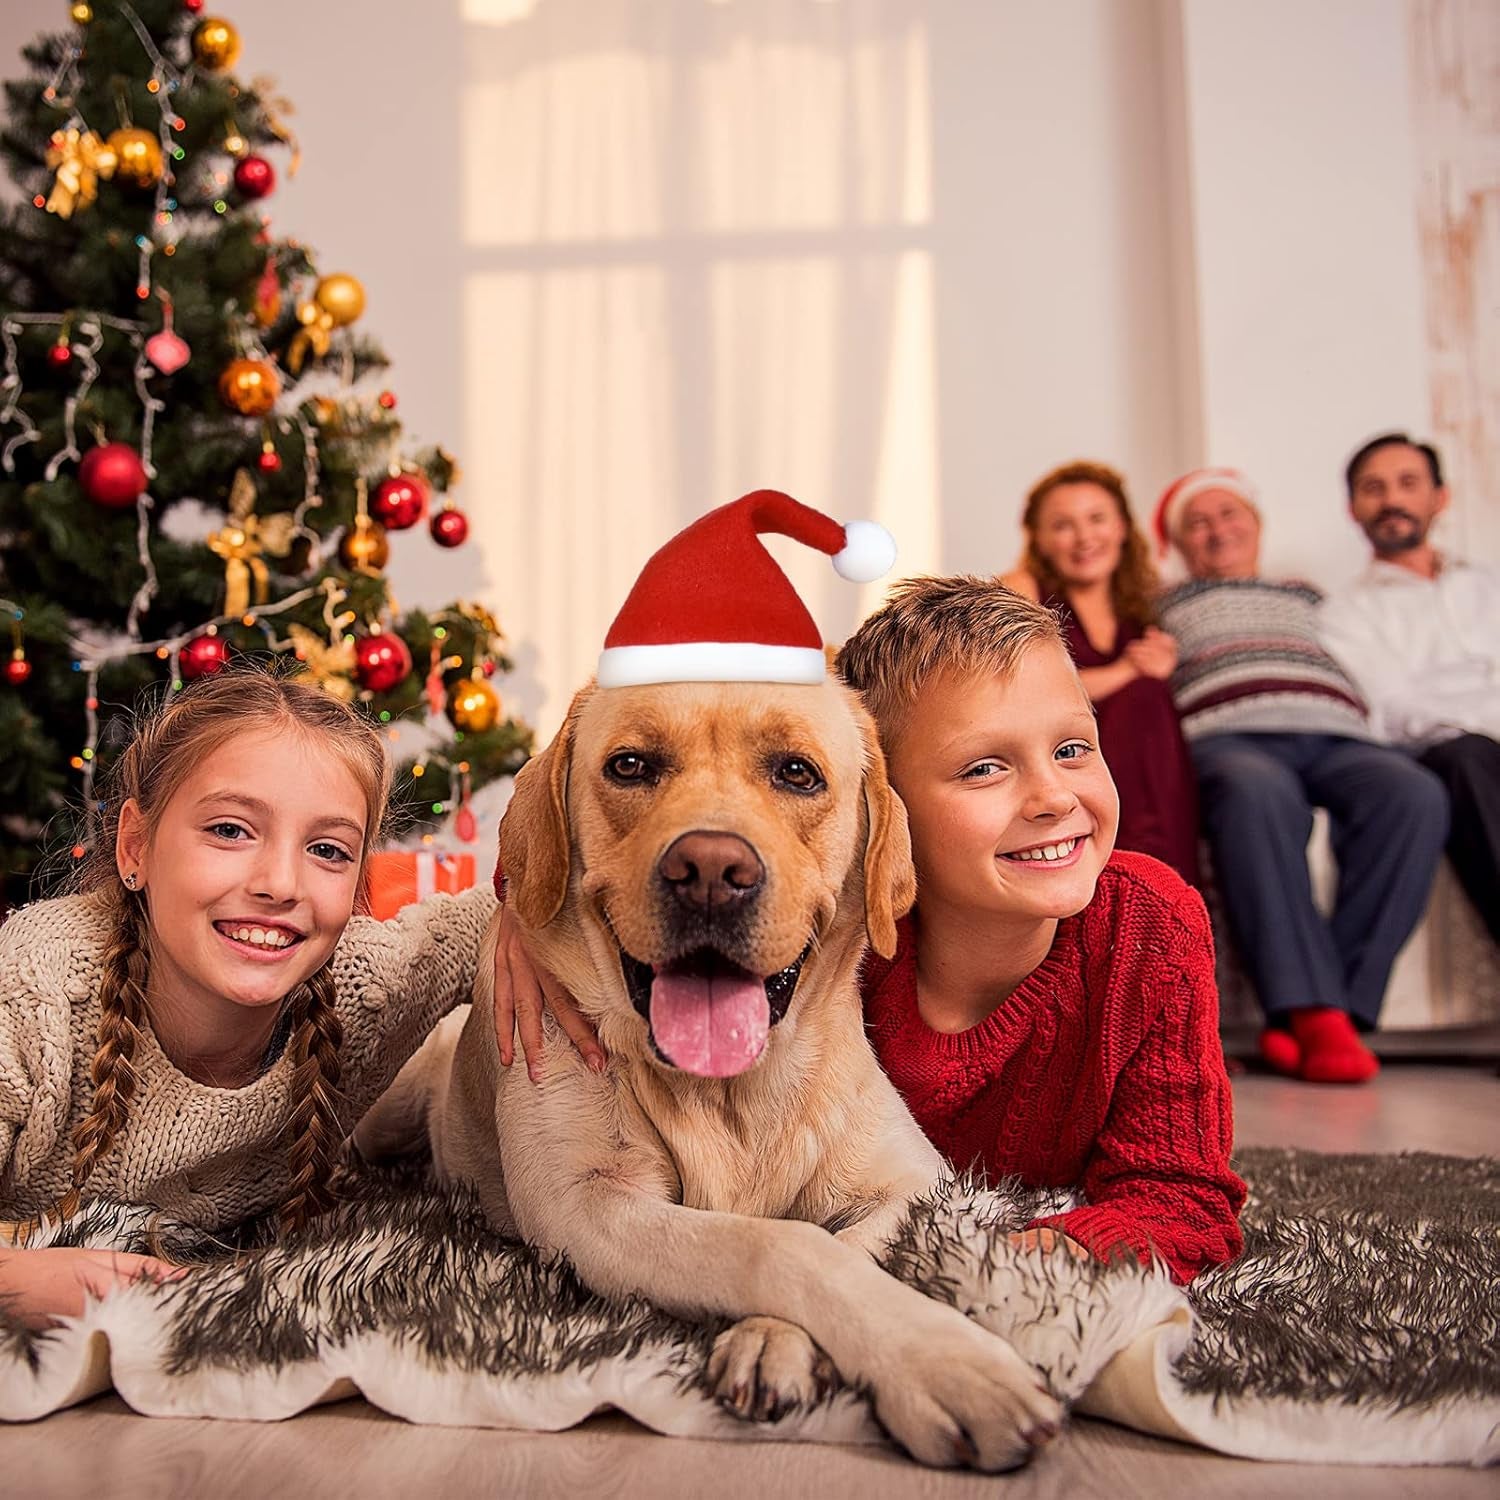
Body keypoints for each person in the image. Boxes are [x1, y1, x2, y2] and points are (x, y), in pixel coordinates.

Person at [496, 581, 1246, 1285]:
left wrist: (1026, 1258)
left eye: (1073, 748)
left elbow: (1182, 1196)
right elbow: (569, 830)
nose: (1053, 796)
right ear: (882, 813)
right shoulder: (851, 931)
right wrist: (516, 915)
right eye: (984, 768)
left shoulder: (1149, 928)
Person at [0, 671, 494, 1328]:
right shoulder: (36, 988)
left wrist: (519, 929)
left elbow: (504, 913)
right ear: (136, 846)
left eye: (328, 850)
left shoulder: (363, 987)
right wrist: (19, 1281)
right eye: (231, 830)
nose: (280, 883)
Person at [1153, 468, 1449, 1085]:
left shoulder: (1308, 595)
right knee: (1257, 793)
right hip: (1230, 735)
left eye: (1230, 515)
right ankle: (1311, 1014)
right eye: (1198, 523)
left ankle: (1338, 1008)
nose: (1218, 530)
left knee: (1413, 793)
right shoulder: (1161, 604)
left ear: (1256, 525)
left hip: (1336, 732)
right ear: (1178, 543)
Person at [1319, 432, 1500, 946]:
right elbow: (1395, 710)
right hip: (1450, 756)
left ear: (1440, 497)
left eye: (1407, 483)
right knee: (1467, 755)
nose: (1391, 500)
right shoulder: (1343, 614)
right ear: (1353, 508)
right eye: (1373, 488)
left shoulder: (1489, 586)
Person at [1001, 461, 1200, 885]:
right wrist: (1129, 671)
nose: (1084, 537)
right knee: (1142, 692)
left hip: (1147, 773)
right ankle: (1131, 873)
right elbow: (1024, 692)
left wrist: (1161, 665)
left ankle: (1163, 881)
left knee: (1149, 697)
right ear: (1039, 539)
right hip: (1062, 762)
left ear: (1122, 527)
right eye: (1063, 525)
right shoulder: (1022, 589)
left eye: (1097, 519)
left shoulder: (1145, 604)